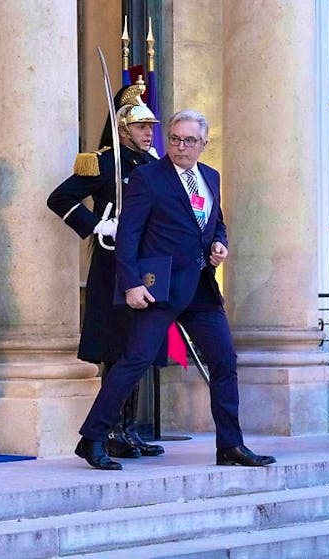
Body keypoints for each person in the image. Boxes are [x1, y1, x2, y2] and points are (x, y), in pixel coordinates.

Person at [75, 109, 275, 470]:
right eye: (176, 139)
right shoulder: (149, 178)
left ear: (204, 143)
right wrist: (132, 283)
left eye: (190, 141)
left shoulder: (210, 177)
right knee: (135, 360)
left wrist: (219, 244)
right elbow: (129, 235)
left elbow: (216, 224)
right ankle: (92, 438)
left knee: (225, 361)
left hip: (200, 288)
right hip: (159, 287)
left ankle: (230, 446)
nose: (181, 147)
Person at [47, 80, 164, 459]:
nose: (149, 133)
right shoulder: (102, 161)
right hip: (114, 263)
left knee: (140, 348)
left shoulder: (153, 166)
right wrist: (96, 225)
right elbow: (60, 197)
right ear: (123, 128)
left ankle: (129, 429)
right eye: (142, 127)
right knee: (117, 348)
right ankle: (110, 430)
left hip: (146, 265)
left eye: (151, 127)